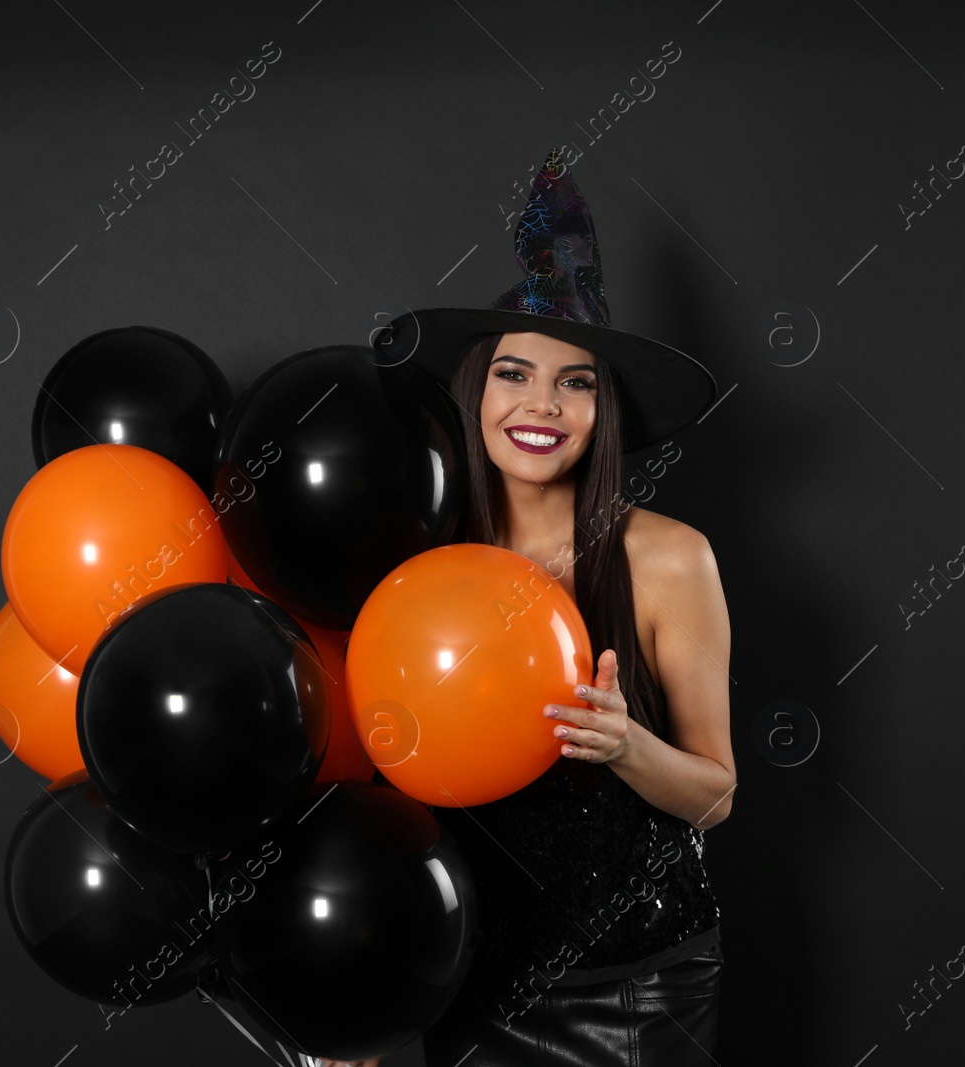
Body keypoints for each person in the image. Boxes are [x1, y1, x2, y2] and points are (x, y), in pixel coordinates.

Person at [318, 150, 735, 1067]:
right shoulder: (413, 560)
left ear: (604, 407)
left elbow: (716, 794)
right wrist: (355, 998)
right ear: (476, 391)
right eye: (514, 373)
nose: (541, 404)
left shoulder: (668, 558)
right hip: (461, 986)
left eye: (576, 381)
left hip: (637, 991)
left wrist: (629, 747)